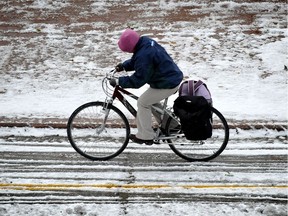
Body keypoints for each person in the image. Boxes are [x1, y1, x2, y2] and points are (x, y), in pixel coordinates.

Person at [110, 28, 183, 145]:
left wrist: (120, 82)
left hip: (167, 83)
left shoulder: (144, 55)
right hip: (168, 78)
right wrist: (123, 66)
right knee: (151, 102)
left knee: (143, 103)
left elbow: (138, 80)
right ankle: (173, 126)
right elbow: (137, 60)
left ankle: (146, 136)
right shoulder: (144, 42)